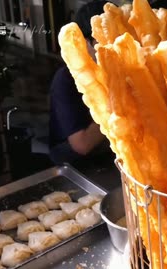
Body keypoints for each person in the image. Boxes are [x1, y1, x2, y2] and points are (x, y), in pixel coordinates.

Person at [49, 0, 113, 165]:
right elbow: (82, 144)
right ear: (83, 42)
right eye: (102, 41)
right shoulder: (65, 80)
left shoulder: (118, 71)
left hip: (110, 159)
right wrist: (121, 108)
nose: (112, 47)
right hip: (77, 166)